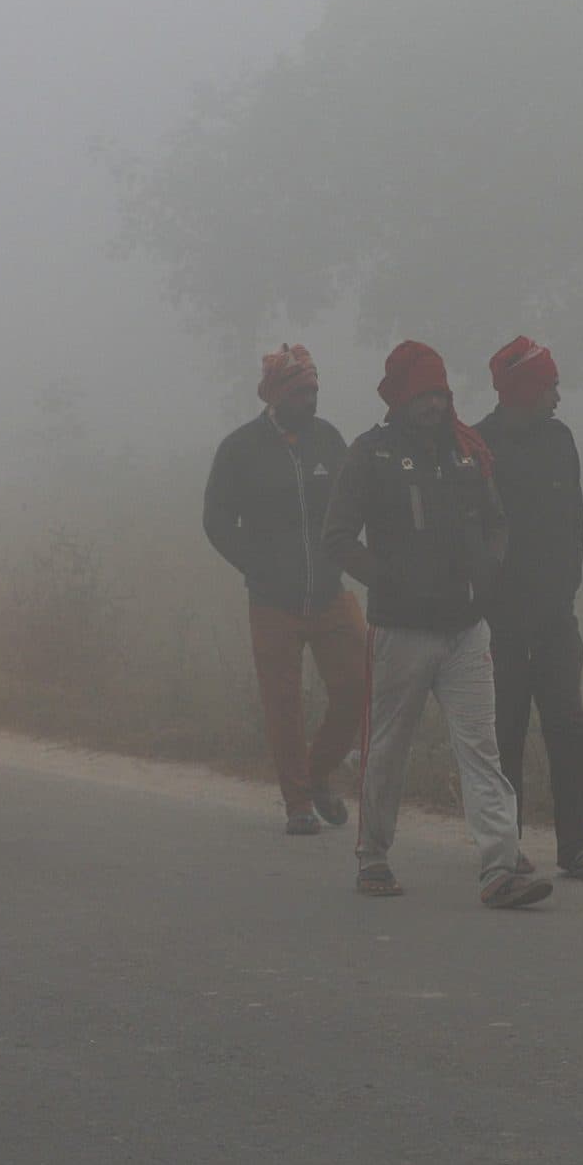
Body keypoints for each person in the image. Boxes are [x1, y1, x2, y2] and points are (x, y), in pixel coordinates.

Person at [322, 341, 552, 909]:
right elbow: (336, 540)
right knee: (388, 749)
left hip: (467, 629)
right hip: (401, 630)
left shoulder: (468, 453)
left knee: (481, 749)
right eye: (422, 394)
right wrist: (389, 580)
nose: (433, 405)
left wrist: (488, 570)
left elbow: (499, 524)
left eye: (441, 394)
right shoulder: (370, 455)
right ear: (400, 398)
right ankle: (373, 857)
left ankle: (500, 867)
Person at [202, 343, 369, 836]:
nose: (311, 400)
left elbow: (353, 503)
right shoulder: (240, 448)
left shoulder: (329, 440)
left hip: (330, 592)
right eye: (300, 392)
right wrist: (255, 563)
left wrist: (358, 556)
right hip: (272, 600)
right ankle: (298, 802)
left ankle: (317, 773)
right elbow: (215, 519)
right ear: (275, 396)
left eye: (314, 390)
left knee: (360, 685)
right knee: (284, 703)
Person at [474, 336, 583, 880]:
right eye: (550, 384)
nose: (558, 395)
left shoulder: (561, 439)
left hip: (555, 614)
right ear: (526, 388)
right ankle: (508, 846)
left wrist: (568, 579)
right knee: (504, 732)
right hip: (498, 619)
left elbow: (575, 519)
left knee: (569, 726)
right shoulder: (476, 446)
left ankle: (574, 845)